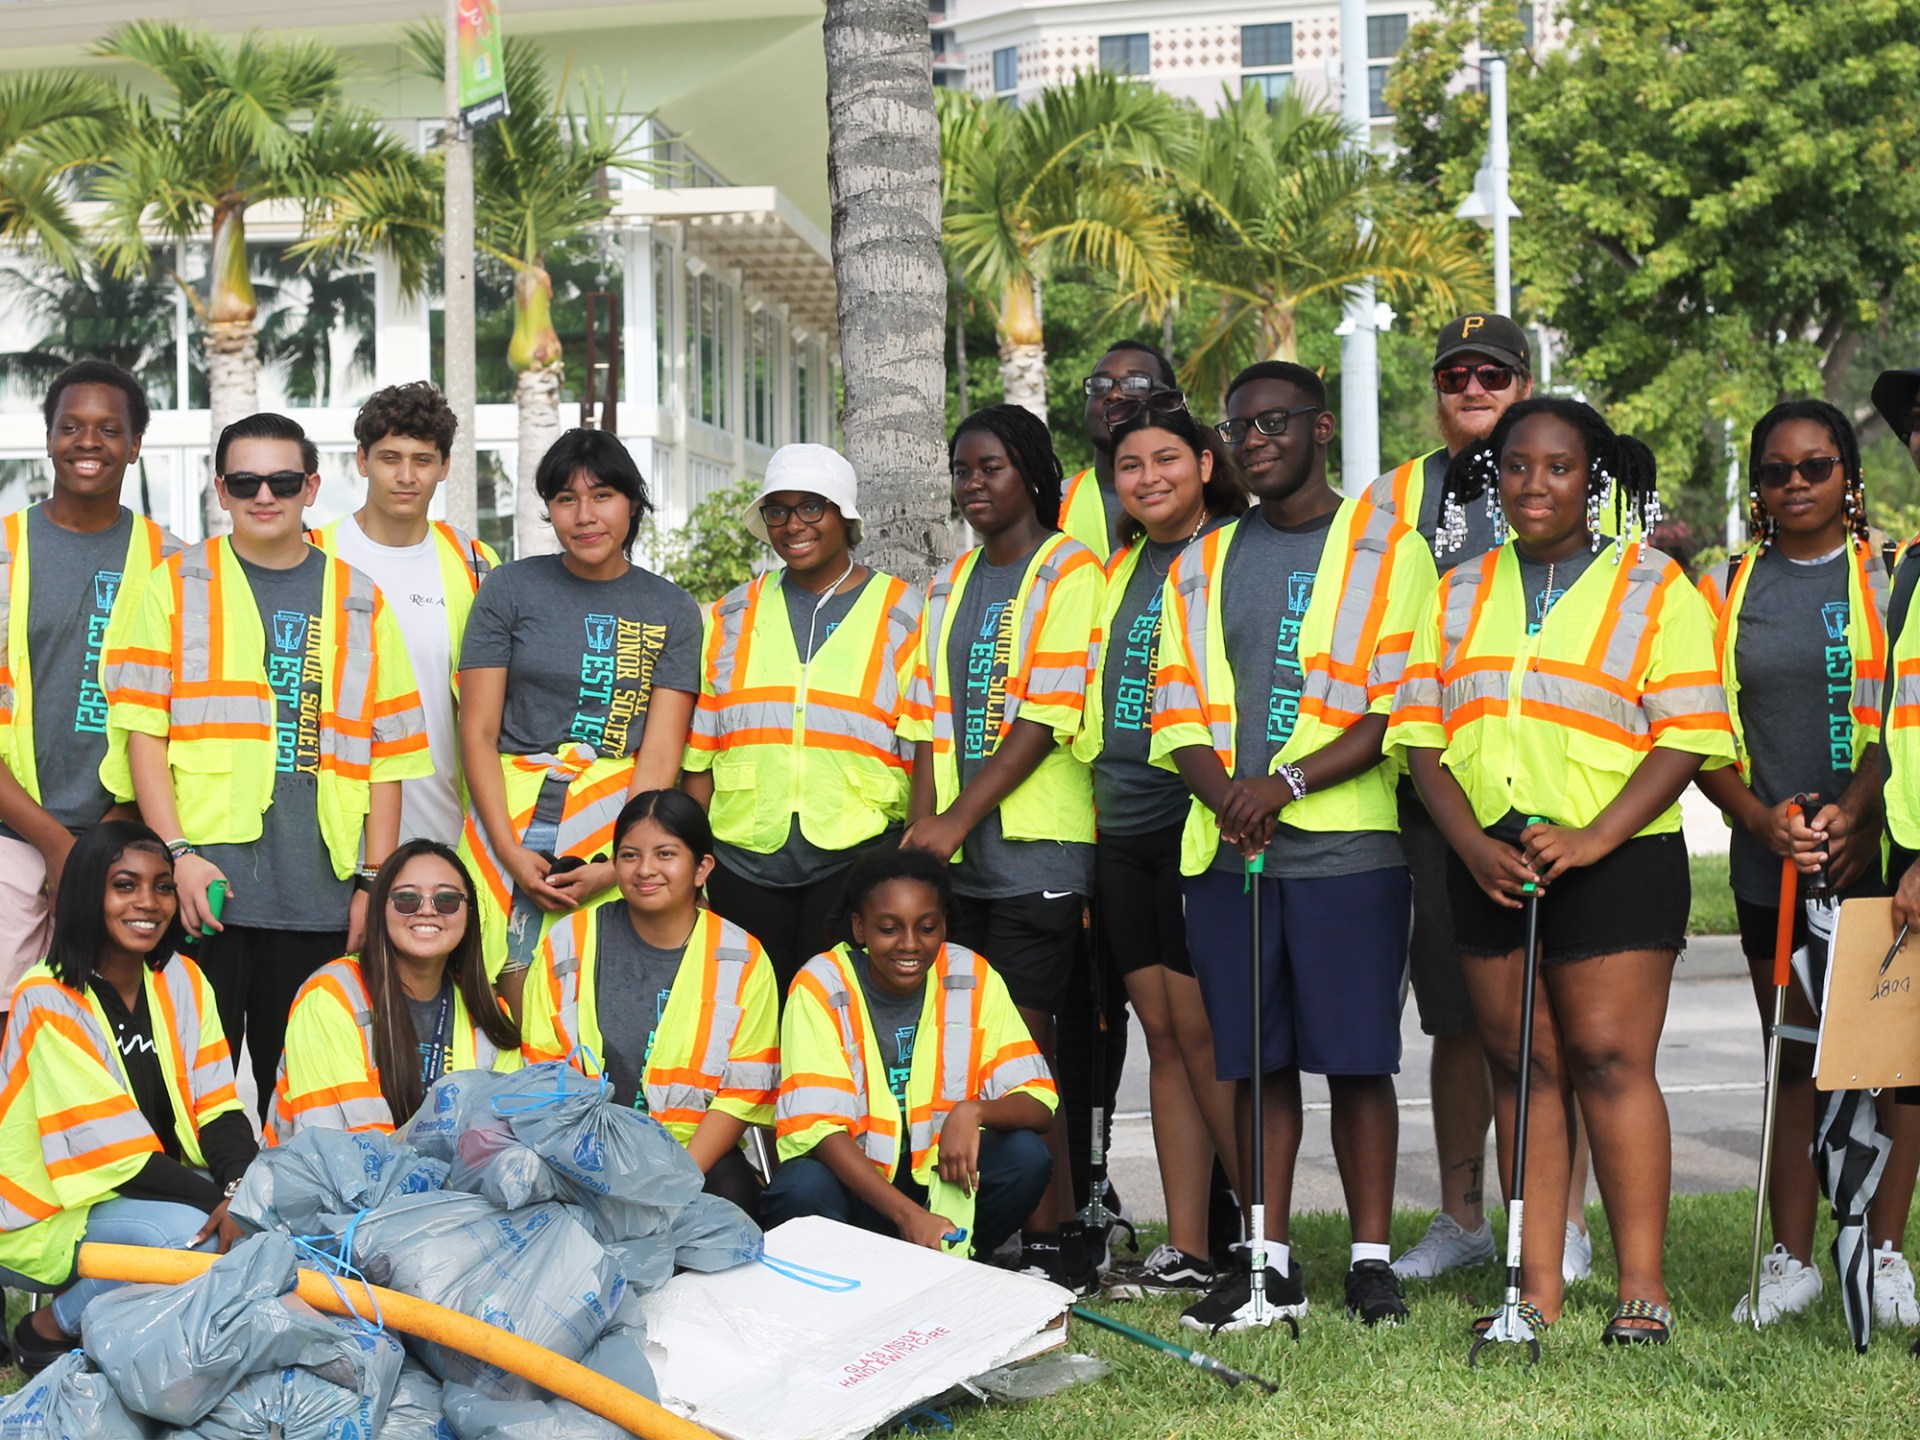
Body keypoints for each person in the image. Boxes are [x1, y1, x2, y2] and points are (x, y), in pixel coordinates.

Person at [1386, 397, 1736, 1346]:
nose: (1535, 484)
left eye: (1559, 467)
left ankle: (1642, 1290)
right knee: (1521, 1068)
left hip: (1616, 857)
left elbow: (1689, 735)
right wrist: (1466, 844)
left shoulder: (1654, 584)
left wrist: (1591, 837)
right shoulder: (1456, 589)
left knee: (1610, 1062)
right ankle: (1533, 1287)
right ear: (1493, 477)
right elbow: (1420, 736)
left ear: (1595, 479)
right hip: (1489, 857)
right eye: (1517, 466)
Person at [1151, 361, 1435, 1333]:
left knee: (1358, 1062)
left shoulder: (1390, 551)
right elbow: (1173, 698)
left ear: (1321, 428)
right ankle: (1265, 1255)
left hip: (1350, 851)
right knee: (1256, 1059)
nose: (1255, 439)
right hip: (1229, 853)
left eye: (1274, 421)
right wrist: (1225, 793)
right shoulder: (1203, 556)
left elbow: (1396, 702)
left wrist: (1287, 783)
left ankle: (1368, 1259)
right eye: (1239, 427)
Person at [103, 412, 430, 1115]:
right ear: (220, 490)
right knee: (189, 1094)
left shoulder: (360, 599)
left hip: (321, 894)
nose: (264, 495)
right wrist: (178, 857)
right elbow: (142, 737)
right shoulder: (172, 585)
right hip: (203, 891)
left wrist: (374, 884)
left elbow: (389, 759)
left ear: (311, 487)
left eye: (282, 480)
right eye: (245, 480)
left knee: (314, 1098)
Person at [1697, 400, 1920, 1327]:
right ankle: (1791, 1258)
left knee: (1892, 1066)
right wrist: (1760, 821)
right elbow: (1698, 733)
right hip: (1773, 861)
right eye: (1778, 471)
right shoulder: (1723, 585)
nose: (1797, 484)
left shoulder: (1897, 575)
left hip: (1875, 851)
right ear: (1757, 485)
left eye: (1817, 467)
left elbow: (1902, 711)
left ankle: (1884, 1252)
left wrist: (1859, 812)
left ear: (1849, 478)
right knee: (1794, 1059)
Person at [900, 403, 1104, 1292]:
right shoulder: (949, 582)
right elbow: (921, 720)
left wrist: (954, 823)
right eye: (962, 470)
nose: (972, 484)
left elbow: (1045, 717)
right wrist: (921, 837)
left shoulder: (1070, 568)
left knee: (1027, 1042)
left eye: (989, 467)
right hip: (956, 859)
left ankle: (1057, 1237)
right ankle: (1000, 1230)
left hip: (1036, 851)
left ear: (1029, 469)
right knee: (967, 1046)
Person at [1368, 316, 1544, 1283]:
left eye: (1494, 373)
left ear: (1525, 383)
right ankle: (1464, 1217)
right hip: (1426, 786)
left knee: (1544, 1018)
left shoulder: (1576, 474)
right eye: (1455, 373)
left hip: (1549, 788)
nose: (1473, 386)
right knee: (1454, 1020)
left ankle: (1553, 1214)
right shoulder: (1396, 495)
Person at [1086, 395, 1245, 1300]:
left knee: (1208, 1035)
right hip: (1120, 825)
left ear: (1204, 466)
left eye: (1166, 461)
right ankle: (1187, 1245)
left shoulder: (1228, 555)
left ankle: (1257, 1243)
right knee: (1164, 1037)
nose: (1148, 479)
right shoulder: (1116, 570)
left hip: (1198, 822)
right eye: (1130, 467)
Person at [457, 429, 702, 1010]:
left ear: (632, 504)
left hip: (621, 827)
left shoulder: (672, 609)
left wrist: (618, 865)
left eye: (602, 496)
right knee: (505, 995)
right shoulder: (508, 589)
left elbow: (661, 754)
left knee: (607, 995)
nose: (585, 516)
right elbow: (478, 732)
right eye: (566, 499)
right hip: (510, 816)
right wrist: (510, 851)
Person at [0, 821, 255, 1372]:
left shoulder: (183, 979)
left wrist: (242, 1190)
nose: (149, 902)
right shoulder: (46, 995)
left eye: (163, 886)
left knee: (268, 1220)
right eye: (125, 885)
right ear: (90, 892)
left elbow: (219, 1107)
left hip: (150, 1187)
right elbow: (117, 1155)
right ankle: (46, 1329)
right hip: (51, 1210)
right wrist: (217, 1203)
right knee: (195, 1246)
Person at [684, 444, 923, 990]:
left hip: (857, 857)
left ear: (845, 516)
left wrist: (913, 856)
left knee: (835, 1022)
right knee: (749, 1022)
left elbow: (924, 739)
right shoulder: (730, 613)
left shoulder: (904, 612)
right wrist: (695, 864)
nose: (793, 525)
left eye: (812, 507)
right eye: (778, 510)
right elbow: (700, 751)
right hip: (741, 860)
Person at [762, 845, 1055, 1257]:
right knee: (801, 1187)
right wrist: (906, 1216)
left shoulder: (971, 975)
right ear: (860, 928)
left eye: (927, 927)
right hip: (859, 1192)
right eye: (889, 928)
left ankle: (957, 1261)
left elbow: (1038, 1103)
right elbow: (820, 1132)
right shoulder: (820, 985)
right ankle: (856, 1276)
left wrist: (972, 1112)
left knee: (1025, 1157)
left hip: (940, 1186)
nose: (910, 944)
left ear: (944, 927)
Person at [0, 362, 178, 1033]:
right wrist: (53, 844)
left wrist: (109, 833)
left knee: (106, 1031)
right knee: (12, 1023)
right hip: (11, 836)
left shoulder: (172, 562)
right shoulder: (5, 549)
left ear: (135, 445)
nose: (88, 442)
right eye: (71, 427)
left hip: (122, 841)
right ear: (47, 439)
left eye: (110, 429)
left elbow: (171, 719)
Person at [520, 790, 776, 1218]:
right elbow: (543, 1070)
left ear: (702, 868)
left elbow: (742, 1093)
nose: (645, 870)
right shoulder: (568, 941)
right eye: (630, 855)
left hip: (691, 1151)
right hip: (584, 1151)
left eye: (665, 854)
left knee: (732, 1198)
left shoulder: (742, 957)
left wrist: (676, 1180)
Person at [308, 382, 499, 847]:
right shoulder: (314, 555)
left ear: (445, 466)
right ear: (362, 461)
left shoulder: (475, 564)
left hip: (448, 831)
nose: (406, 476)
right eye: (390, 458)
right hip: (331, 831)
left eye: (422, 460)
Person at [267, 839, 521, 1143]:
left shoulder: (488, 1012)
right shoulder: (330, 996)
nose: (427, 910)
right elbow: (340, 1149)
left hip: (450, 1187)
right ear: (379, 910)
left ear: (468, 914)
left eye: (446, 900)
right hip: (328, 1184)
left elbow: (502, 1139)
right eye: (406, 899)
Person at [1060, 339, 1181, 561]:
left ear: (1167, 402)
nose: (1114, 395)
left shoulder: (1200, 505)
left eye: (1135, 384)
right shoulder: (1050, 506)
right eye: (1100, 385)